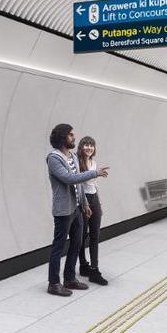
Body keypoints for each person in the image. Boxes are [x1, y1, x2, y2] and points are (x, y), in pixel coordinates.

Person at [46, 124, 108, 296]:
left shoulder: (72, 156)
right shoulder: (54, 158)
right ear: (62, 137)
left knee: (77, 243)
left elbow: (78, 184)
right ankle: (53, 283)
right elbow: (69, 178)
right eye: (71, 135)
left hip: (77, 208)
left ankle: (70, 278)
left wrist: (85, 205)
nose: (74, 138)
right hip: (63, 210)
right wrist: (94, 173)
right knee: (58, 246)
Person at [75, 136, 108, 286]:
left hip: (94, 198)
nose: (89, 148)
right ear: (81, 147)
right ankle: (83, 265)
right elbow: (80, 185)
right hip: (83, 200)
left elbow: (94, 185)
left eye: (92, 145)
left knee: (95, 234)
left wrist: (99, 201)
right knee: (82, 236)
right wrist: (85, 204)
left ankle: (94, 269)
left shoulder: (93, 163)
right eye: (86, 145)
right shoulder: (77, 162)